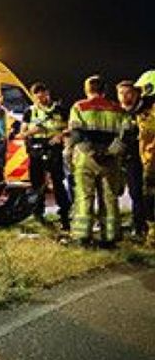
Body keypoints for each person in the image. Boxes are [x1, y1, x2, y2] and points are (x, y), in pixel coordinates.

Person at [68, 75, 129, 248]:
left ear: (87, 90)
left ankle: (82, 237)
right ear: (105, 90)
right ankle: (110, 238)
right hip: (110, 161)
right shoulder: (118, 110)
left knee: (84, 197)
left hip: (86, 159)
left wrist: (92, 152)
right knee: (109, 198)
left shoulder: (79, 107)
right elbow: (127, 135)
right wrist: (110, 152)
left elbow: (77, 133)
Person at [20, 83, 72, 231]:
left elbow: (71, 127)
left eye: (43, 94)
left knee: (57, 182)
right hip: (35, 149)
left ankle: (64, 214)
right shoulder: (30, 112)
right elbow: (22, 132)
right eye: (37, 95)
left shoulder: (60, 110)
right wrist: (32, 131)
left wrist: (60, 135)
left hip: (54, 148)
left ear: (48, 93)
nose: (41, 98)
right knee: (37, 182)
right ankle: (38, 213)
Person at [118, 79, 153, 241]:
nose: (124, 97)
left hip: (149, 158)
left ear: (137, 94)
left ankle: (144, 225)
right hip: (130, 159)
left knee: (147, 193)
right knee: (135, 193)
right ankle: (138, 225)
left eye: (128, 93)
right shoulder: (119, 113)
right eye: (121, 93)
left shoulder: (147, 110)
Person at [134, 70, 155, 245]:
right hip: (148, 159)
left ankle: (153, 234)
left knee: (150, 196)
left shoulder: (149, 112)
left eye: (142, 89)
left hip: (152, 161)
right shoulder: (144, 111)